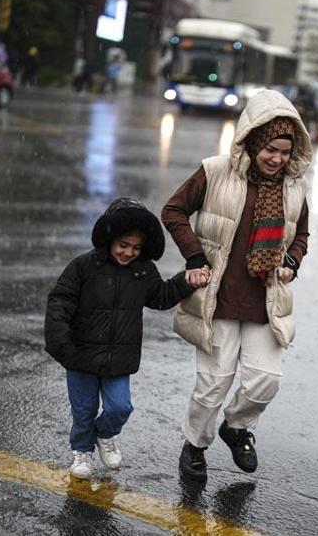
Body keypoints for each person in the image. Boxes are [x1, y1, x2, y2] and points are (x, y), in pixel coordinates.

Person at [162, 89, 312, 481]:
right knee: (212, 384)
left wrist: (292, 262)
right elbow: (173, 211)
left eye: (285, 152)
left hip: (266, 300)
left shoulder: (294, 187)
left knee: (266, 381)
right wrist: (196, 257)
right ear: (253, 142)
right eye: (270, 150)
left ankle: (237, 427)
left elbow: (301, 235)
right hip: (220, 297)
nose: (277, 159)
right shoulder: (214, 172)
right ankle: (195, 446)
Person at [45, 197, 209, 479]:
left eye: (136, 247)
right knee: (83, 410)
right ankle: (82, 451)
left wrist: (186, 280)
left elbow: (160, 297)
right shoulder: (83, 266)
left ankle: (104, 434)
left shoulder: (142, 271)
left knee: (120, 407)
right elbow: (61, 300)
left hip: (119, 358)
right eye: (123, 245)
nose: (129, 252)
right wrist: (60, 338)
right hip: (80, 354)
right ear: (110, 238)